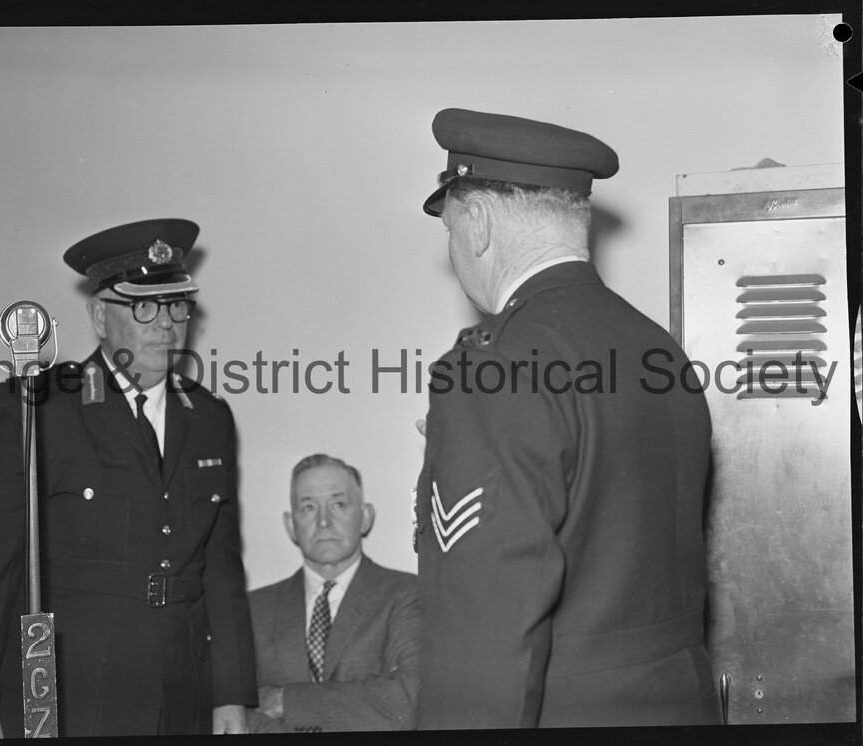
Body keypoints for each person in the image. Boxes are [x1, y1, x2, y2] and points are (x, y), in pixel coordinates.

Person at [413, 108, 720, 728]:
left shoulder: (492, 367)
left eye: (449, 233)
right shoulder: (659, 351)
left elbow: (482, 639)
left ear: (475, 223)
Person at [0, 218, 257, 737]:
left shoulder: (209, 416)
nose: (165, 325)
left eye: (176, 305)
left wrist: (231, 694)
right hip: (72, 691)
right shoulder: (37, 408)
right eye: (143, 306)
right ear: (100, 317)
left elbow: (219, 570)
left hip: (184, 690)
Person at [246, 454, 419, 733]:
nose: (323, 521)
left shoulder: (406, 595)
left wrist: (284, 701)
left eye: (338, 504)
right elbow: (234, 715)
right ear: (291, 525)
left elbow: (407, 702)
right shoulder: (252, 609)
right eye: (308, 507)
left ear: (365, 517)